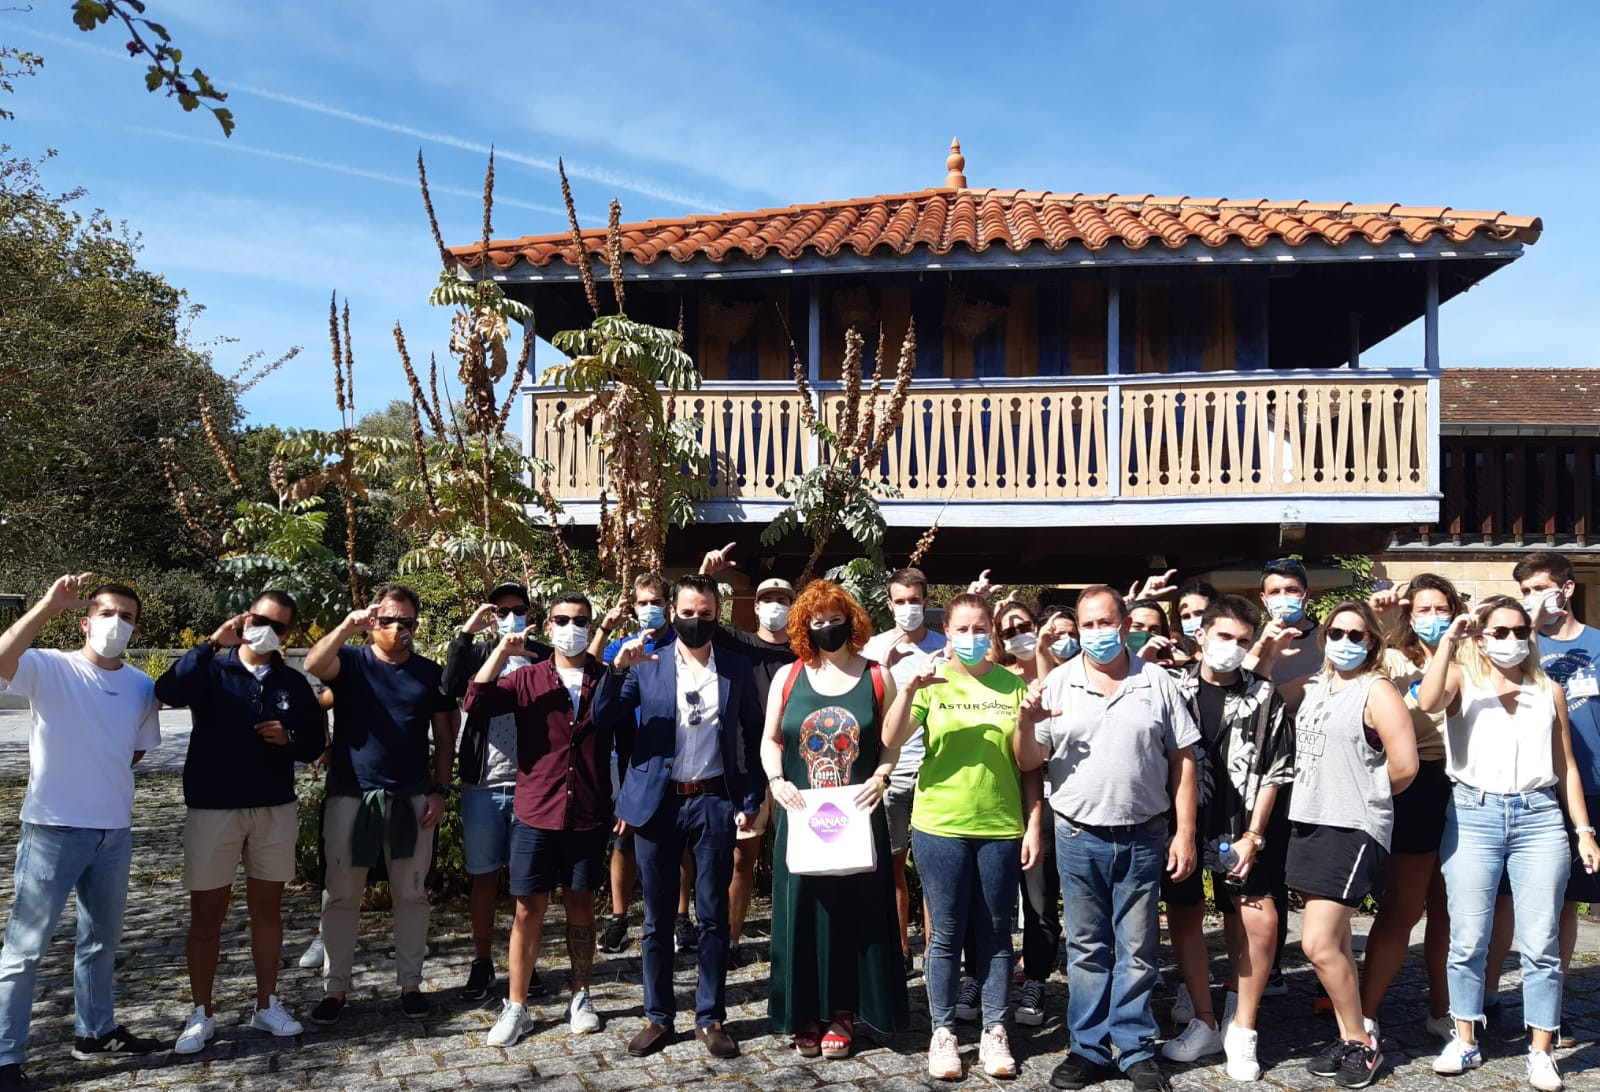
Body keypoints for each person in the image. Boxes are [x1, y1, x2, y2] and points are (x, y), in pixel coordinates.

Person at [1015, 584, 1197, 1092]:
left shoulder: (1156, 681)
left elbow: (1183, 760)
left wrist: (1185, 832)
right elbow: (1029, 760)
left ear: (1124, 624)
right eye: (1087, 624)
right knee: (1088, 947)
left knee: (1138, 947)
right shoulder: (1057, 685)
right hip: (1078, 834)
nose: (1096, 633)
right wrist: (1025, 726)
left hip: (1144, 835)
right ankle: (1088, 1047)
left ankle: (1135, 1046)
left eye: (1105, 623)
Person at [1419, 596, 1600, 1092]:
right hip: (1473, 814)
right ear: (1480, 635)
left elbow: (1564, 767)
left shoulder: (1549, 689)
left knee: (1541, 944)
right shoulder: (1462, 677)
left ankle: (1540, 1051)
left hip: (1539, 817)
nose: (1510, 639)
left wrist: (1583, 830)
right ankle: (1464, 1037)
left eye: (1519, 630)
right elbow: (1428, 701)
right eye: (1498, 631)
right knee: (1468, 939)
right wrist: (1449, 641)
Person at [0, 575, 166, 1088]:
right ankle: (5, 1055)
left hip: (113, 832)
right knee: (24, 949)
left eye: (128, 616)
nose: (117, 623)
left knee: (100, 942)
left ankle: (95, 1032)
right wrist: (46, 606)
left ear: (136, 629)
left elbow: (133, 751)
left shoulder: (141, 685)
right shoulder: (49, 666)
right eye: (108, 612)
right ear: (86, 621)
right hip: (53, 828)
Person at [593, 574, 764, 1060]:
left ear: (717, 614)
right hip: (658, 804)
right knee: (657, 917)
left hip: (713, 801)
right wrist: (615, 671)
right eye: (687, 612)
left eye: (705, 614)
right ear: (674, 613)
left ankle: (710, 1018)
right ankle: (658, 1016)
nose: (695, 620)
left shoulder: (734, 666)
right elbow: (603, 718)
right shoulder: (645, 664)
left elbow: (751, 732)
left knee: (711, 917)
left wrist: (750, 798)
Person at [155, 592, 326, 1054]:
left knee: (267, 911)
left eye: (279, 626)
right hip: (214, 807)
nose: (267, 628)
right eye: (260, 618)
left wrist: (286, 737)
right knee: (207, 915)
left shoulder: (292, 681)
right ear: (245, 617)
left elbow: (314, 742)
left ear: (288, 635)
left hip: (273, 807)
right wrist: (211, 643)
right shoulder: (212, 668)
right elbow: (167, 691)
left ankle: (267, 1003)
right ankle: (201, 1013)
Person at [885, 593, 1033, 1080]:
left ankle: (995, 1030)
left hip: (1000, 825)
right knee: (945, 933)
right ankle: (943, 1032)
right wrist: (909, 689)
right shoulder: (932, 682)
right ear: (946, 634)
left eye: (980, 629)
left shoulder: (1013, 686)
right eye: (962, 630)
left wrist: (1033, 825)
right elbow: (890, 739)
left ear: (992, 632)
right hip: (939, 825)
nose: (972, 638)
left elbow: (1029, 764)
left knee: (995, 934)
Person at [1267, 600, 1414, 1089]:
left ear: (1373, 643)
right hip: (1308, 820)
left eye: (1358, 635)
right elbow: (1258, 695)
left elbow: (1405, 765)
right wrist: (1265, 651)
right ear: (1323, 637)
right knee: (1329, 944)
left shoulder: (1377, 690)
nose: (1346, 642)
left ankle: (1360, 1040)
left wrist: (1363, 798)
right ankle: (1351, 1033)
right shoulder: (1314, 687)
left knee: (1317, 943)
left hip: (1350, 826)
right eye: (1337, 633)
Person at [763, 580, 908, 1058]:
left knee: (855, 914)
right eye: (816, 622)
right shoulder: (788, 677)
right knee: (802, 912)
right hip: (801, 815)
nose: (827, 628)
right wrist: (775, 779)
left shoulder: (877, 675)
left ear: (853, 620)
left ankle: (845, 1011)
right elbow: (772, 741)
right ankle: (803, 1010)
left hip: (858, 815)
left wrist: (883, 774)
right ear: (804, 627)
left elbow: (890, 739)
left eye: (835, 619)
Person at [302, 583, 458, 1024]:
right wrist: (349, 626)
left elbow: (445, 739)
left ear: (415, 624)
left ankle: (410, 984)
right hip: (352, 795)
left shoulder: (430, 674)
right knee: (342, 896)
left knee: (410, 894)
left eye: (404, 621)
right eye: (386, 619)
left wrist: (440, 791)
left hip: (410, 799)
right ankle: (335, 990)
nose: (395, 628)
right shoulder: (351, 662)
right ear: (373, 621)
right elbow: (315, 663)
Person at [465, 592, 610, 1044]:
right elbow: (475, 700)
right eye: (563, 619)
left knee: (581, 906)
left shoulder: (607, 678)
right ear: (548, 626)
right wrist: (501, 653)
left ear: (591, 626)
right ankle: (516, 1005)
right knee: (527, 908)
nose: (572, 627)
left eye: (581, 620)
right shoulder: (528, 678)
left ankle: (581, 994)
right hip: (535, 811)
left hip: (587, 812)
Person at [1160, 595, 1292, 1081]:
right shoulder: (1171, 688)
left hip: (1244, 826)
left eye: (1241, 640)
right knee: (1186, 914)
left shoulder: (1265, 695)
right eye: (1223, 637)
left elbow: (1277, 770)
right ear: (1201, 635)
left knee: (1260, 918)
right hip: (1182, 825)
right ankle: (1204, 1019)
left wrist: (1255, 834)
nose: (1231, 649)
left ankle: (1243, 1027)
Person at [1483, 552, 1600, 1013]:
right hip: (1529, 786)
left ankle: (1552, 997)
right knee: (1506, 898)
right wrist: (1527, 627)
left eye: (1539, 588)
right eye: (1525, 590)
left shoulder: (1596, 644)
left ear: (1567, 589)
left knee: (1569, 898)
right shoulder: (1518, 644)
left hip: (1588, 786)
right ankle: (1490, 993)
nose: (1532, 598)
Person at [1358, 574, 1465, 1042]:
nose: (1433, 618)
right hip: (1417, 780)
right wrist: (1376, 617)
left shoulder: (1474, 655)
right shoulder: (1396, 659)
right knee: (1403, 906)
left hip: (1467, 782)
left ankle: (1442, 1008)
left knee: (1450, 908)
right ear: (1409, 615)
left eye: (1441, 608)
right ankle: (1362, 1013)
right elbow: (1357, 661)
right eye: (1423, 610)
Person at [442, 581, 553, 1002]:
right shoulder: (476, 653)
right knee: (484, 878)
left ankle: (526, 965)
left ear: (530, 612)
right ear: (491, 615)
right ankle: (483, 961)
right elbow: (450, 685)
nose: (511, 616)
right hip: (483, 784)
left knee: (529, 885)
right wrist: (467, 633)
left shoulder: (542, 653)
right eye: (501, 610)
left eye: (518, 608)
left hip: (532, 783)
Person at [708, 568, 798, 963]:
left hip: (798, 767)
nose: (775, 607)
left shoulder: (805, 651)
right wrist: (706, 578)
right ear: (755, 606)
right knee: (741, 859)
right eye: (768, 601)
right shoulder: (740, 644)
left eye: (783, 601)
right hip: (749, 767)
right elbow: (703, 618)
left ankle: (794, 937)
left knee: (800, 859)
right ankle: (731, 938)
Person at [861, 567, 946, 978]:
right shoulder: (873, 649)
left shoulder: (945, 648)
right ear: (889, 603)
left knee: (933, 864)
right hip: (890, 768)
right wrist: (881, 667)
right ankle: (899, 949)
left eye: (916, 600)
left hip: (936, 771)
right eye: (901, 600)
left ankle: (936, 951)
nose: (909, 608)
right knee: (892, 861)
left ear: (926, 602)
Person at [594, 573, 678, 955]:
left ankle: (681, 917)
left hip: (674, 757)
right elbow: (595, 682)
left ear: (669, 607)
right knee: (623, 838)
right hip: (629, 756)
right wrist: (607, 636)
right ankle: (618, 917)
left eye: (655, 602)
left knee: (681, 844)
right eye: (642, 603)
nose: (649, 609)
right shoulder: (621, 648)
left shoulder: (684, 647)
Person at [994, 601, 1060, 1029]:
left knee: (1039, 899)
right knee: (992, 901)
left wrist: (1041, 650)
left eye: (1025, 625)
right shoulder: (998, 681)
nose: (1017, 633)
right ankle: (982, 979)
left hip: (1049, 801)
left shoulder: (1057, 675)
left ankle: (1035, 978)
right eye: (1008, 630)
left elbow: (1052, 682)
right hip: (998, 801)